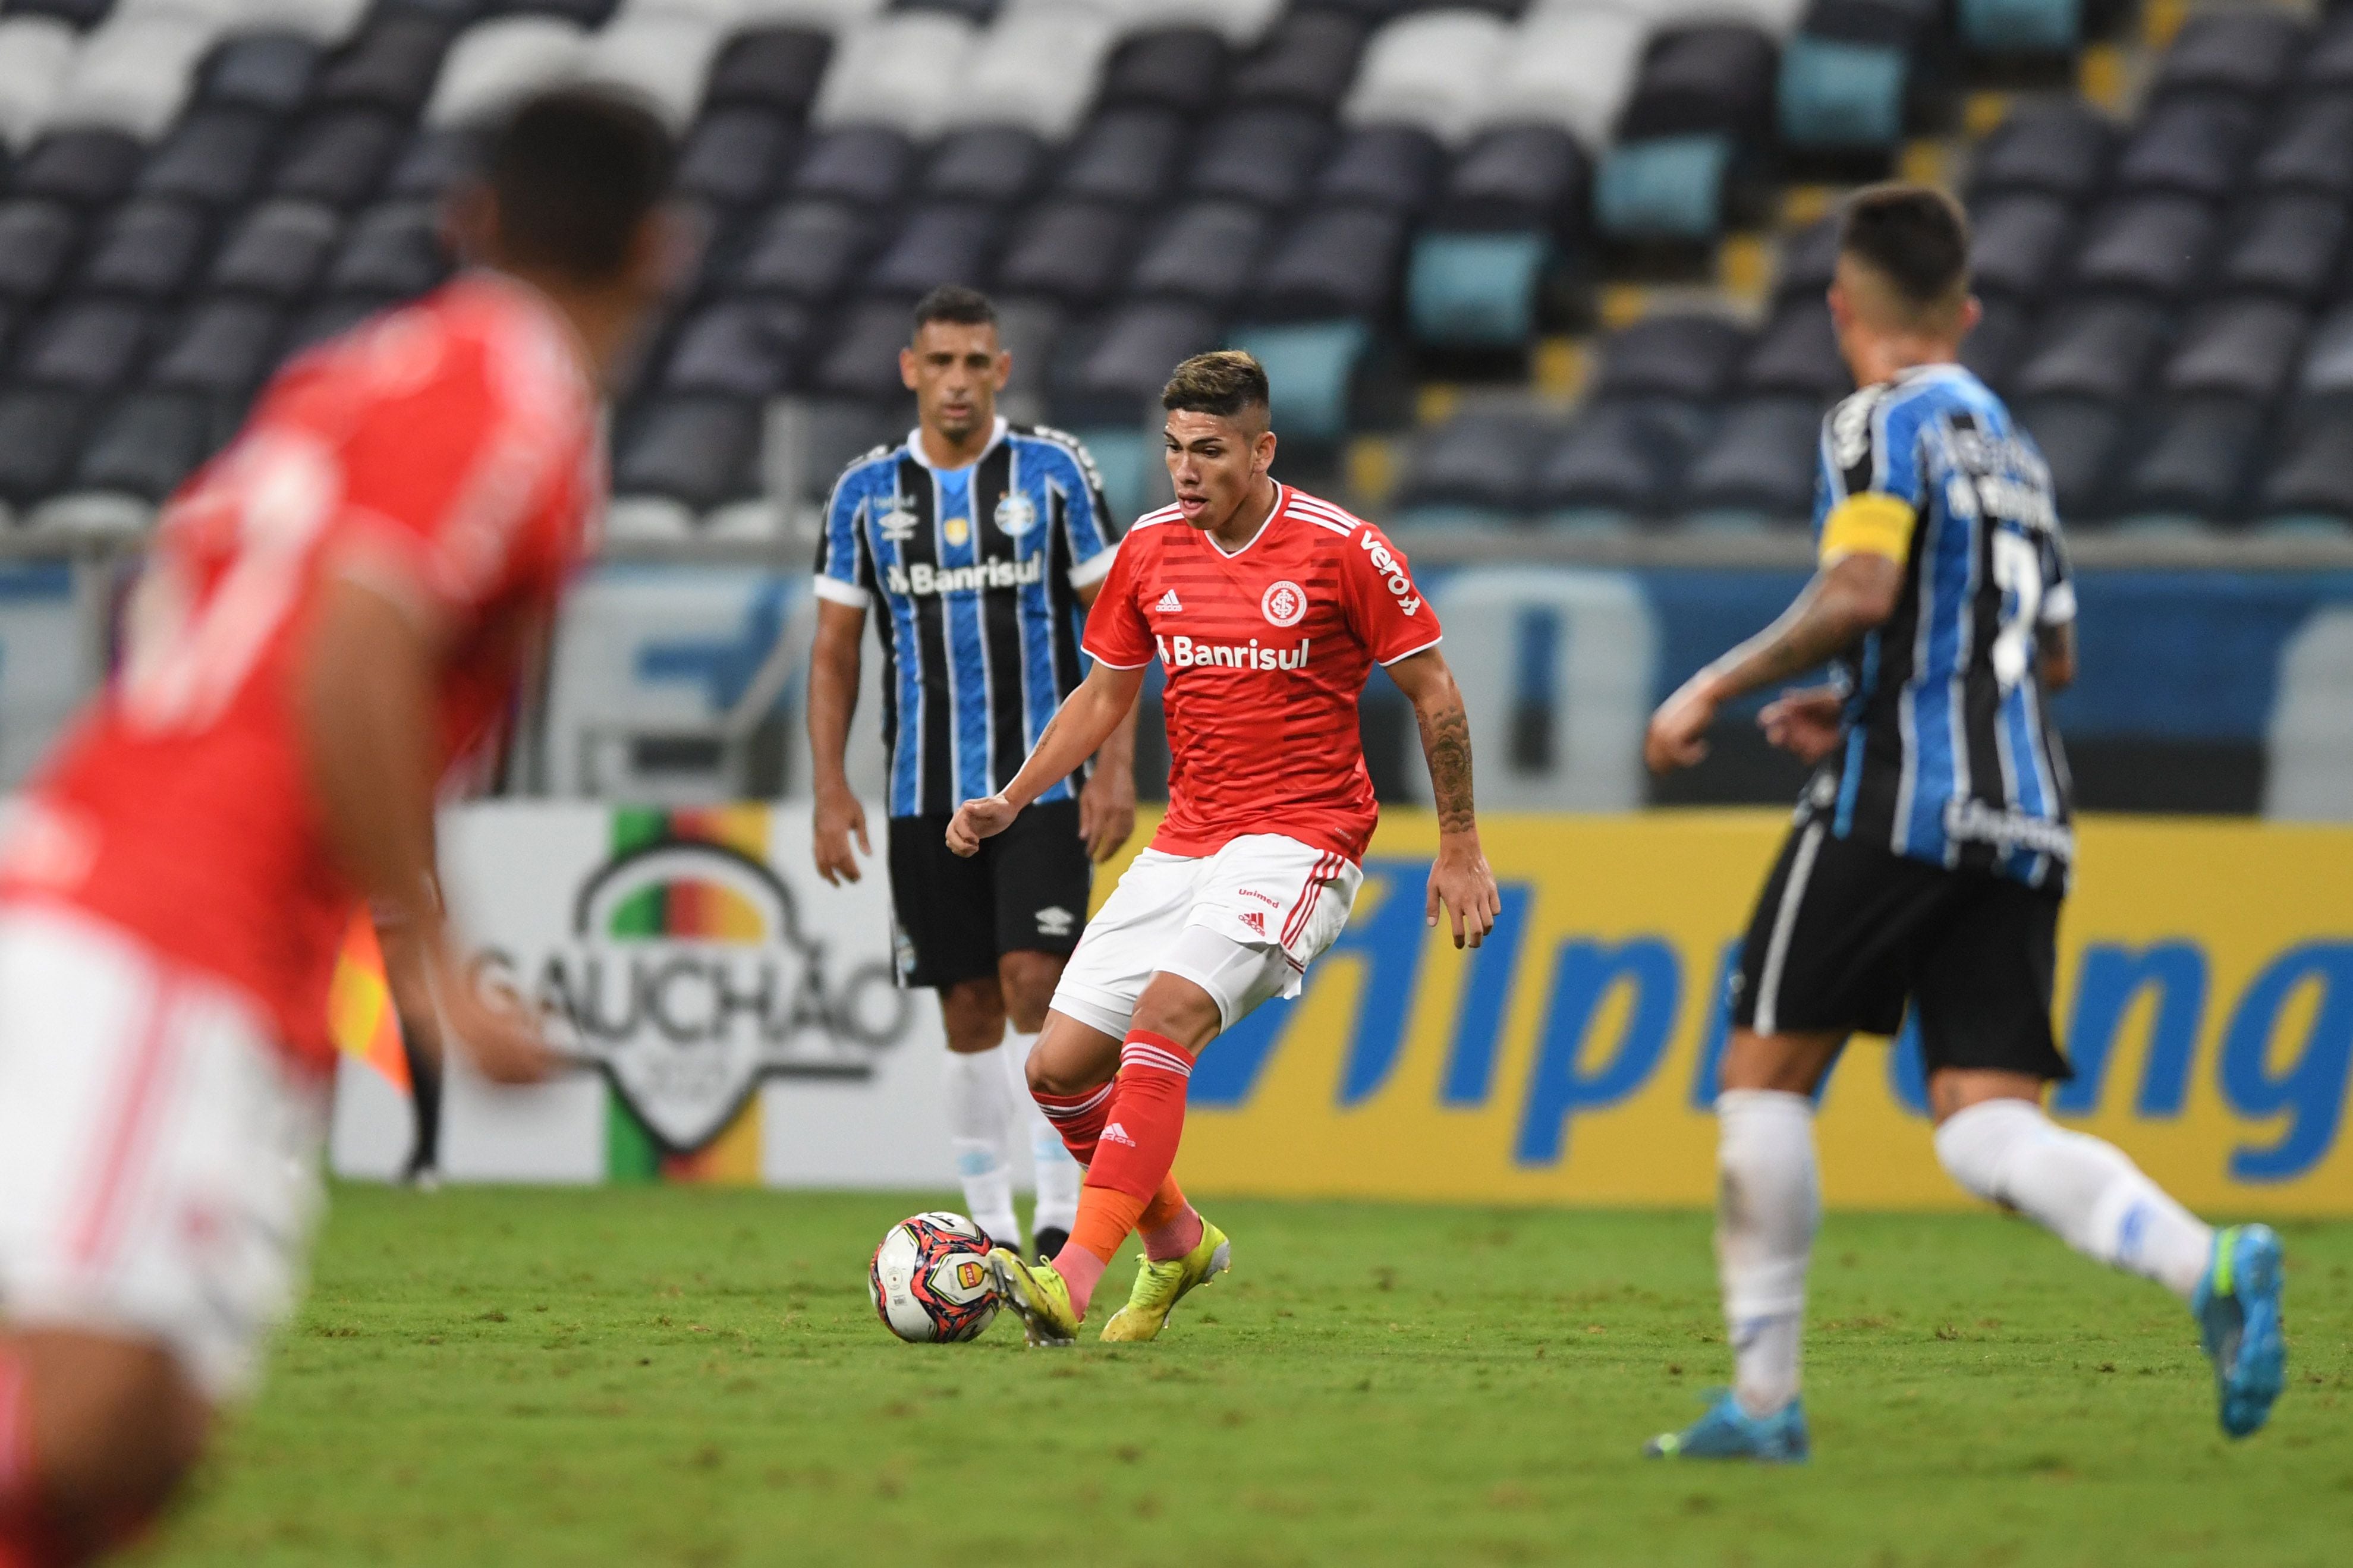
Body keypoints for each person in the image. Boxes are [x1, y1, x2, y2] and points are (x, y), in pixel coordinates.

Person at [0, 86, 675, 1564]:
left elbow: (196, 584)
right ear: (661, 250)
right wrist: (424, 951)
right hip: (167, 919)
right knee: (91, 1409)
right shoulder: (519, 399)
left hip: (134, 889)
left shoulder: (357, 369)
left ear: (469, 219)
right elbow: (358, 637)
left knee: (141, 1439)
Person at [1640, 184, 2284, 1463]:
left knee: (1759, 1079)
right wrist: (1861, 691)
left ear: (1843, 311)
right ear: (1964, 310)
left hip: (1901, 796)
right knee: (1986, 1119)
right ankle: (2199, 1257)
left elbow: (1863, 582)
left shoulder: (1875, 420)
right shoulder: (2015, 447)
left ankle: (1763, 1406)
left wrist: (1719, 681)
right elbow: (2045, 659)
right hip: (2027, 808)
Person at [948, 350, 1502, 1345]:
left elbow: (1434, 691)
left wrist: (1458, 842)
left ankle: (1070, 1275)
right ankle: (1177, 1238)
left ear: (1262, 449)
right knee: (1057, 1068)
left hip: (1301, 844)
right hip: (1187, 842)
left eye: (1208, 450)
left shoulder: (1342, 548)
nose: (1184, 469)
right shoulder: (1151, 549)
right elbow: (1104, 697)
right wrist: (1013, 798)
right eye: (1172, 449)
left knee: (1165, 1020)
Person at [807, 285, 1135, 1265]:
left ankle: (1059, 1205)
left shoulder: (1055, 471)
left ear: (1001, 369)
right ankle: (987, 1223)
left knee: (1036, 979)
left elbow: (1117, 628)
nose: (958, 381)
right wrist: (831, 786)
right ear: (911, 369)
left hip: (1039, 784)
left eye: (975, 362)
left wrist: (1112, 769)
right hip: (920, 791)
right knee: (965, 1004)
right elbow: (834, 651)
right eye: (939, 362)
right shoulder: (864, 494)